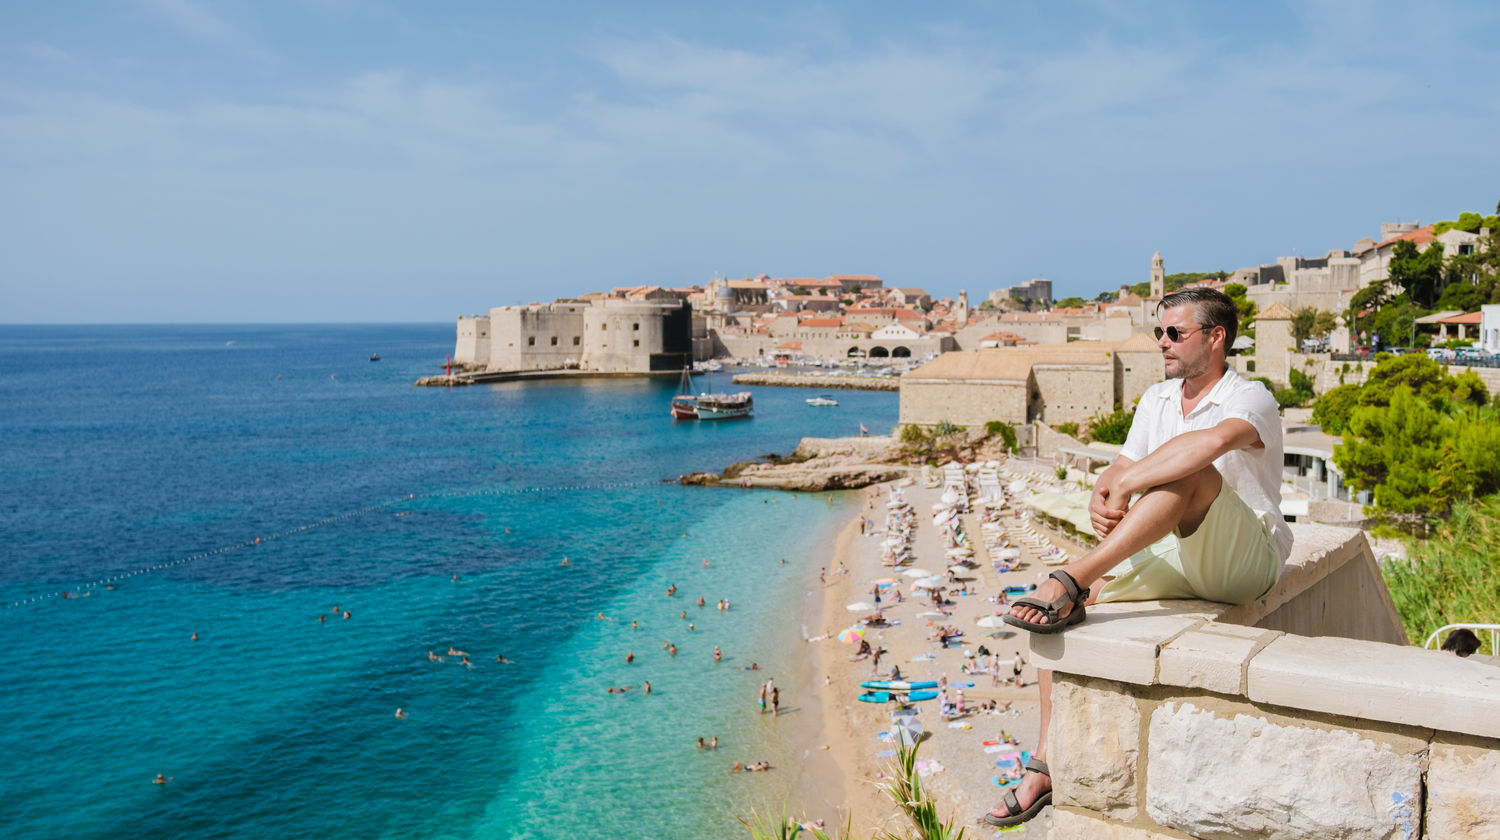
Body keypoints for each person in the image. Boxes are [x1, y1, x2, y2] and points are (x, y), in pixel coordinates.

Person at [987, 288, 1292, 829]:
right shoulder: (1156, 399)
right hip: (1174, 556)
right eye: (1159, 332)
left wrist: (1128, 482)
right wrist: (1103, 494)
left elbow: (1208, 446)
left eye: (1175, 333)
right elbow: (1121, 464)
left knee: (1192, 470)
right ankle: (1045, 761)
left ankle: (1075, 574)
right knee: (1057, 620)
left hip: (1244, 563)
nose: (1162, 343)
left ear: (1216, 338)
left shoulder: (1252, 398)